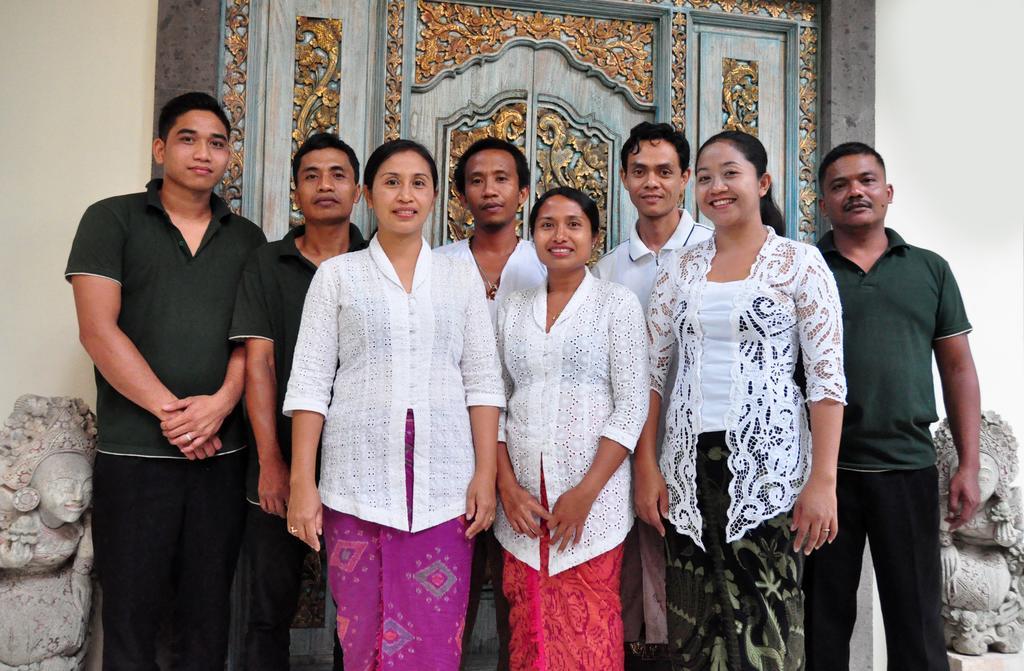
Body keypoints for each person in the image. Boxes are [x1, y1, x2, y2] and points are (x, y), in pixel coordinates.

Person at [283, 139, 505, 670]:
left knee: (436, 633)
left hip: (444, 486)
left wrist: (485, 474)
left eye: (418, 183)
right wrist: (301, 483)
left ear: (434, 198)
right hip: (356, 484)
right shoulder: (337, 277)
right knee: (360, 634)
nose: (405, 195)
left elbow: (482, 381)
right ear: (367, 195)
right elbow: (311, 383)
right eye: (391, 182)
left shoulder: (460, 277)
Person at [65, 91, 266, 669]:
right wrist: (176, 415)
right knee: (130, 618)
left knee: (207, 620)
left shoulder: (247, 238)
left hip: (220, 459)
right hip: (134, 456)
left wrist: (222, 404)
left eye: (217, 142)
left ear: (229, 155)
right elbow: (98, 331)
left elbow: (251, 342)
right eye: (188, 138)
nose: (203, 152)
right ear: (160, 148)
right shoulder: (112, 218)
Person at [638, 130, 846, 670]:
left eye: (730, 173)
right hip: (688, 464)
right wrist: (648, 466)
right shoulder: (678, 269)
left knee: (765, 612)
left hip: (768, 464)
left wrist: (823, 480)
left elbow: (826, 381)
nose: (716, 187)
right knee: (693, 612)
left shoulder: (798, 263)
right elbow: (652, 377)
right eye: (704, 177)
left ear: (763, 182)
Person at [805, 142, 981, 671]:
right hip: (822, 476)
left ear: (888, 192)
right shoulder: (803, 268)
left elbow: (958, 368)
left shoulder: (929, 270)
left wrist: (968, 464)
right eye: (839, 185)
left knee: (917, 623)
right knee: (821, 621)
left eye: (866, 180)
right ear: (822, 202)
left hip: (906, 468)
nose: (855, 191)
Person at [495, 187, 649, 670]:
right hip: (522, 504)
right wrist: (507, 488)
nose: (559, 236)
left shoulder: (616, 304)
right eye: (547, 225)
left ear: (594, 237)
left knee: (589, 629)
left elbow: (631, 405)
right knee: (530, 628)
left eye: (573, 224)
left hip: (593, 503)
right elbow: (492, 402)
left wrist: (586, 492)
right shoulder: (512, 305)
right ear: (532, 235)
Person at [229, 132, 367, 670]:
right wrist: (271, 462)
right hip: (280, 460)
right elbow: (258, 363)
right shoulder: (267, 263)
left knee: (357, 610)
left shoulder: (377, 260)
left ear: (358, 192)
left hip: (360, 467)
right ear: (296, 190)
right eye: (312, 175)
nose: (325, 185)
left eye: (338, 175)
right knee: (269, 607)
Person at [593, 121, 712, 664]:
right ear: (623, 178)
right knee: (640, 585)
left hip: (705, 445)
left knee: (703, 584)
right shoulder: (607, 269)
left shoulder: (717, 254)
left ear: (686, 178)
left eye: (665, 171)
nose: (652, 183)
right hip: (627, 451)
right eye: (639, 171)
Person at [435, 137, 546, 669]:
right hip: (448, 449)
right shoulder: (438, 266)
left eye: (502, 179)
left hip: (527, 454)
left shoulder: (548, 263)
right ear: (461, 196)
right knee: (444, 593)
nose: (489, 190)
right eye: (476, 180)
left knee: (516, 598)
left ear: (523, 192)